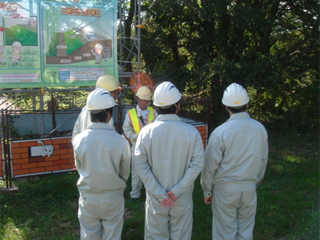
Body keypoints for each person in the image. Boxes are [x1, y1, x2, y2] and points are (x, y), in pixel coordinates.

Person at [134, 81, 204, 239]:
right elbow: (197, 164)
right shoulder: (192, 133)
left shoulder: (146, 133)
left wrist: (159, 193)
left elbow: (140, 165)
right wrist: (177, 191)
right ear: (178, 105)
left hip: (156, 198)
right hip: (182, 197)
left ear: (156, 107)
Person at [201, 83, 268, 240]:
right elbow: (263, 159)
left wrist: (207, 190)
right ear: (247, 104)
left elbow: (210, 166)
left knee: (224, 233)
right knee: (245, 232)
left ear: (226, 106)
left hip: (225, 190)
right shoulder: (260, 129)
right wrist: (254, 182)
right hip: (249, 188)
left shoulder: (220, 133)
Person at [73, 88, 131, 240]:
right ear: (109, 113)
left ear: (90, 113)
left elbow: (80, 167)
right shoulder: (121, 141)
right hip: (113, 197)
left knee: (89, 234)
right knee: (112, 235)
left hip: (88, 197)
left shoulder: (79, 140)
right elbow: (125, 172)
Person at [122, 86, 158, 199]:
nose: (144, 102)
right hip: (136, 145)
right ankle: (135, 194)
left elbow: (158, 128)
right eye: (142, 100)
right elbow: (127, 130)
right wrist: (138, 137)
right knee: (137, 171)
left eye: (146, 100)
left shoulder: (154, 112)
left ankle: (151, 192)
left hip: (151, 147)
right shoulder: (131, 114)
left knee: (152, 169)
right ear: (137, 99)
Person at [72, 75, 121, 140]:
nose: (116, 96)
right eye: (116, 92)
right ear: (111, 93)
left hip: (85, 148)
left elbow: (75, 135)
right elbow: (108, 141)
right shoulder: (105, 115)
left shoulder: (86, 108)